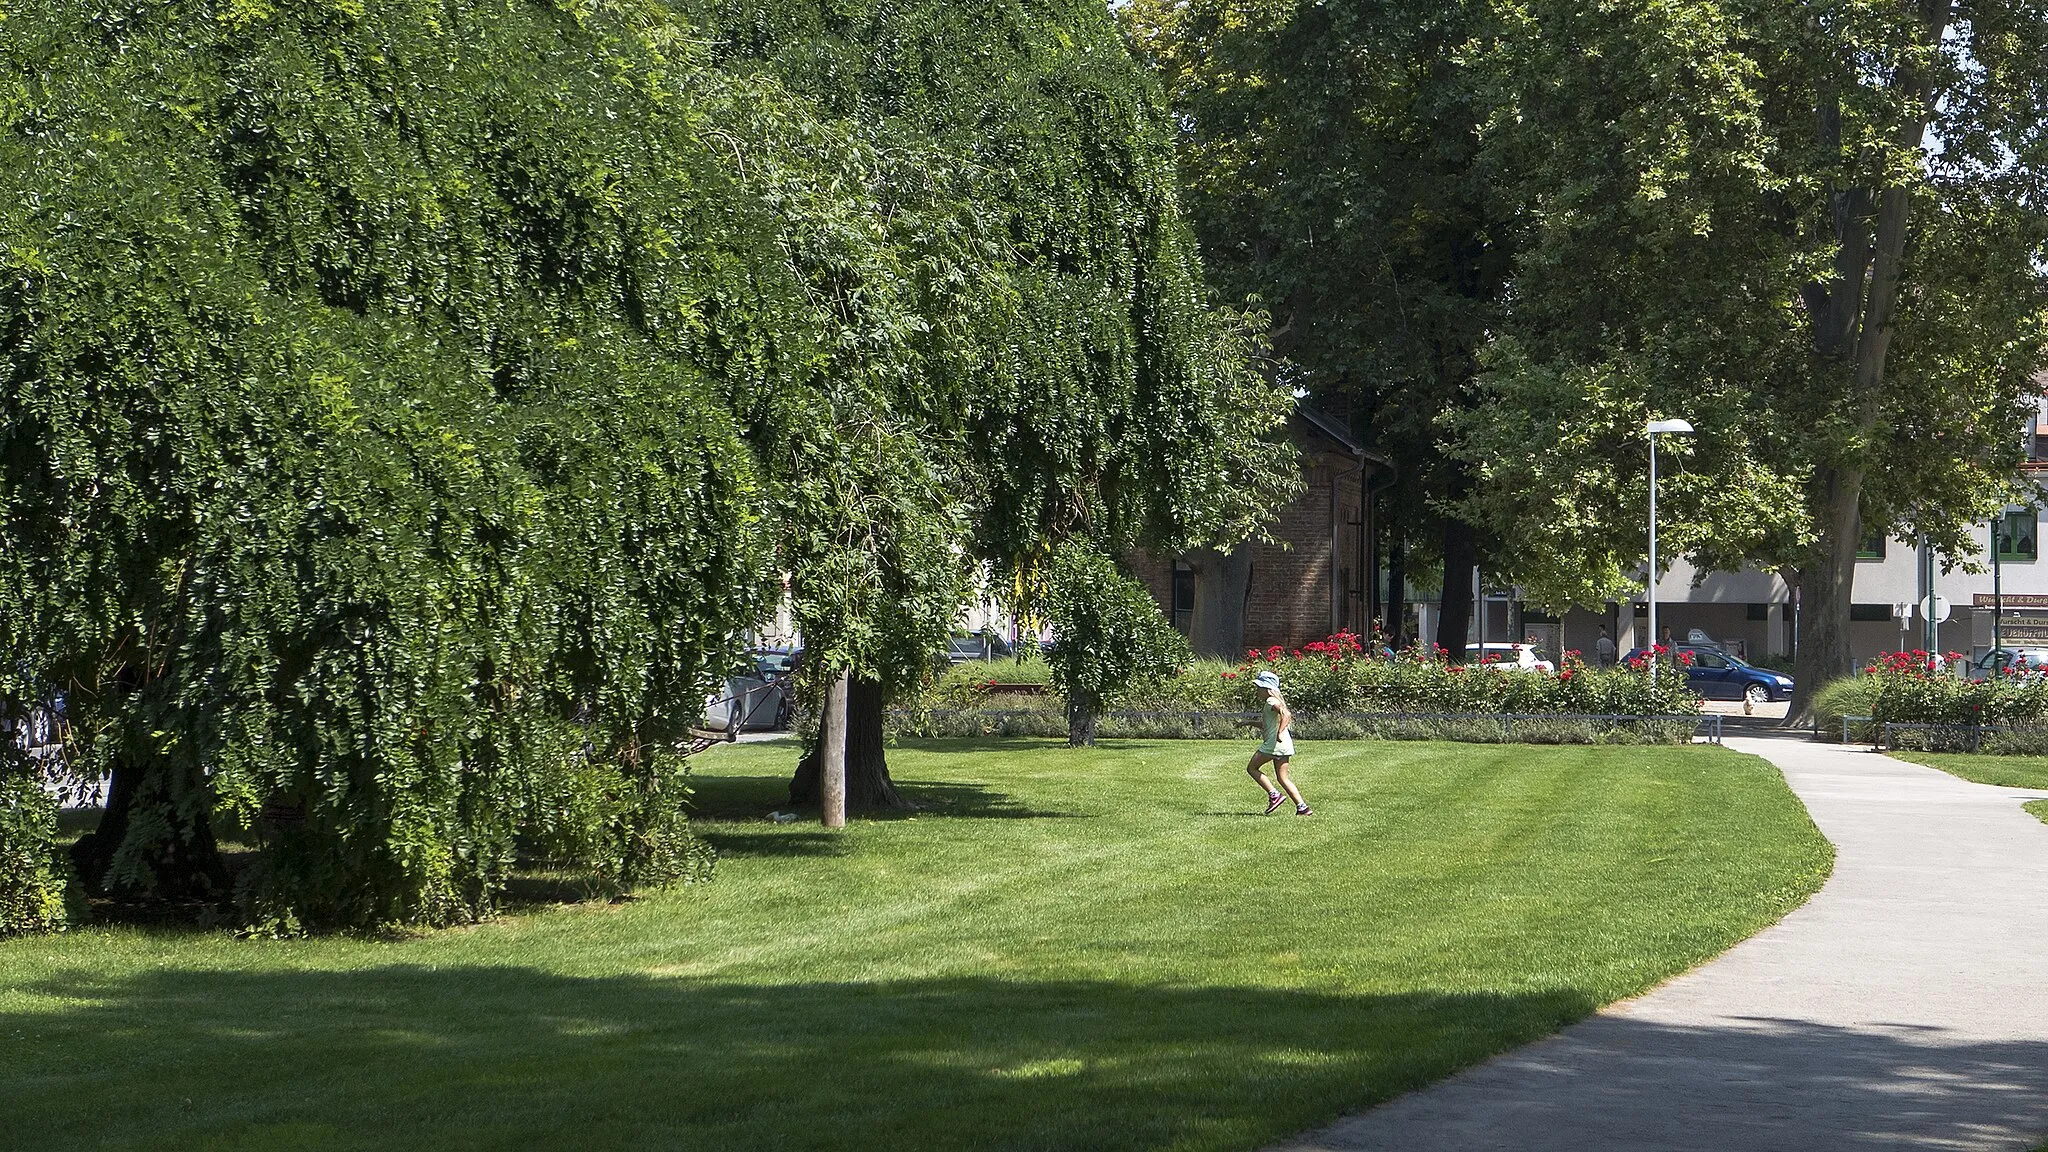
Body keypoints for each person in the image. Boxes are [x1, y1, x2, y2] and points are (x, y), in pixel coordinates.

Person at [1244, 669, 1311, 816]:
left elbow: (1286, 714)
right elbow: (1266, 725)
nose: (1257, 691)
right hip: (1285, 745)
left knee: (1252, 768)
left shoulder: (1271, 700)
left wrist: (1280, 732)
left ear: (1267, 689)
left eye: (1259, 688)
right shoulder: (1273, 702)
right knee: (1283, 778)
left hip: (1274, 744)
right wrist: (1247, 722)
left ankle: (1274, 795)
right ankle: (1303, 807)